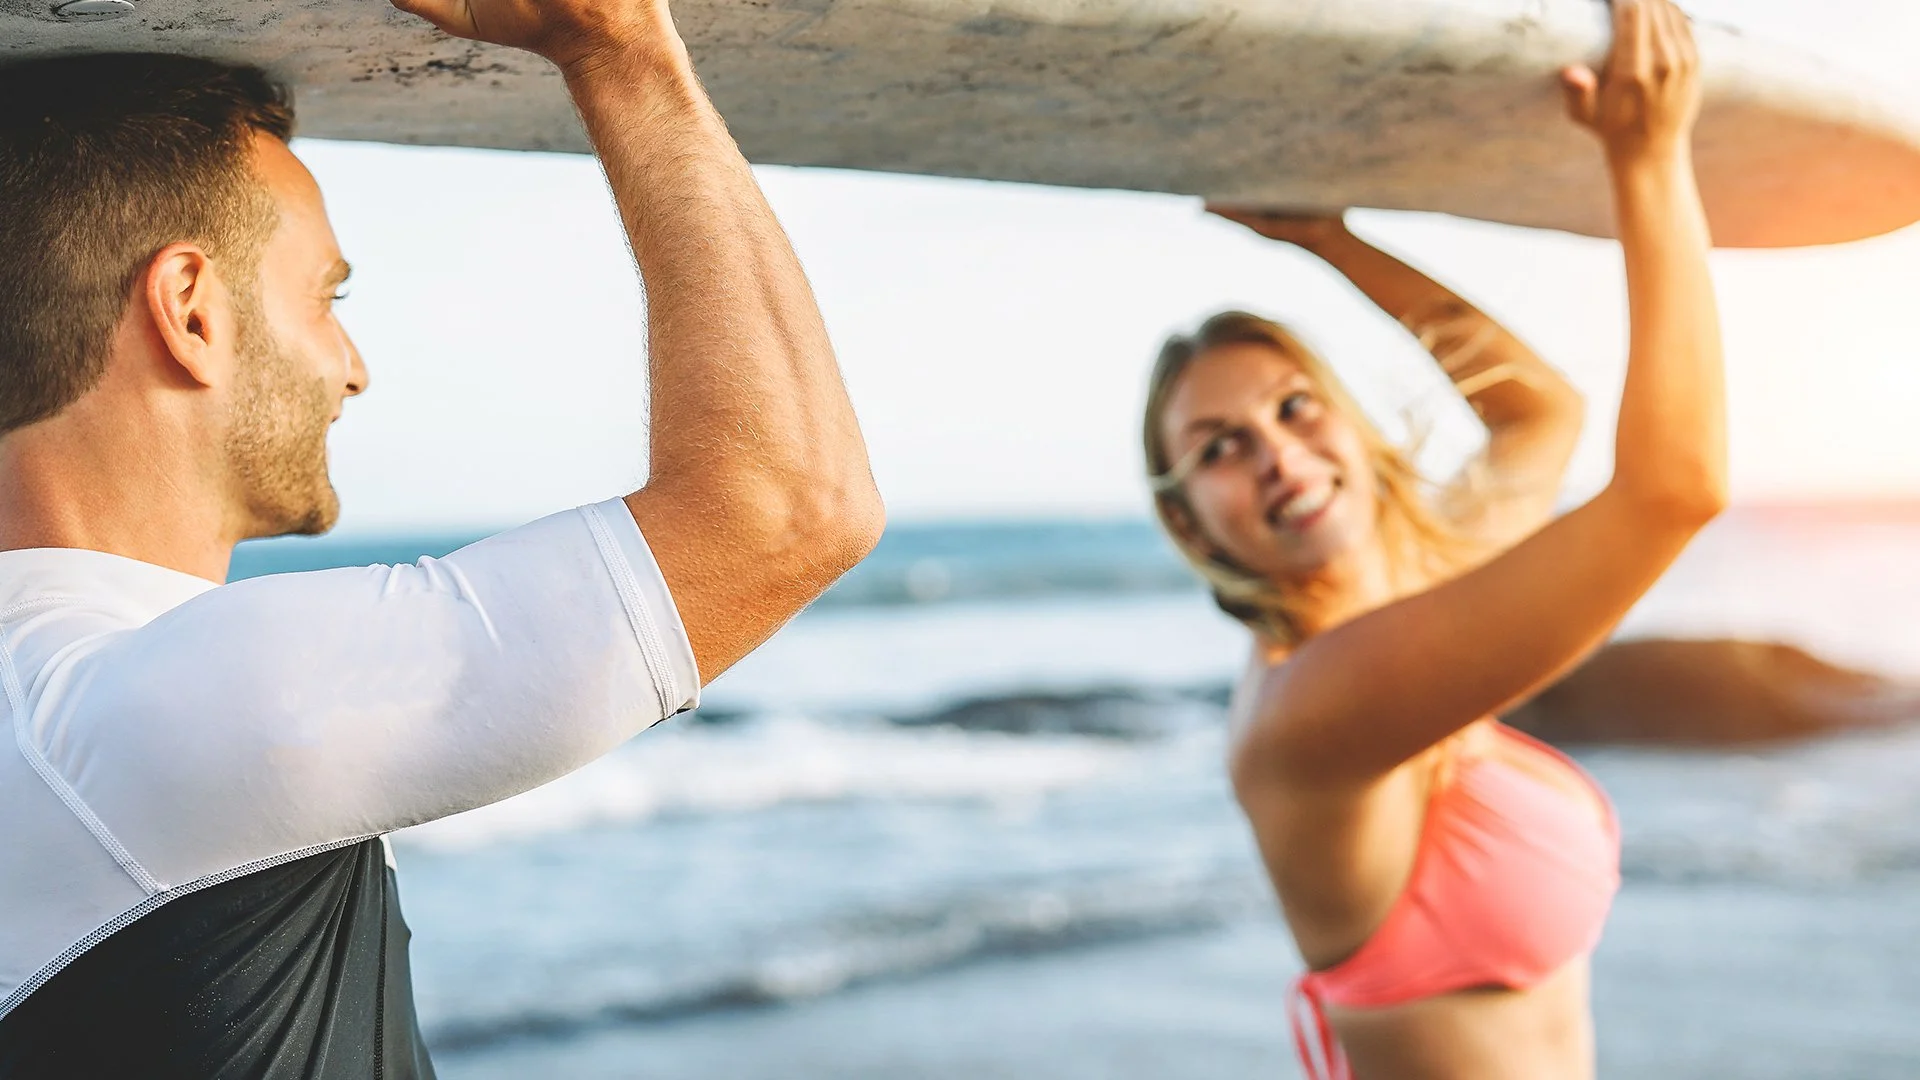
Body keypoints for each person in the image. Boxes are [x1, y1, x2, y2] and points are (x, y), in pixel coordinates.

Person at [0, 0, 884, 1072]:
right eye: (327, 297)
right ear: (191, 309)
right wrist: (621, 51)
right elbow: (790, 508)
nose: (355, 365)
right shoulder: (139, 710)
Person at [1140, 2, 1720, 1077]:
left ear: (1349, 424)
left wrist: (1335, 242)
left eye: (1295, 407)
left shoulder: (1419, 583)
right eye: (1220, 448)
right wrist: (1648, 164)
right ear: (1188, 519)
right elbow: (1674, 490)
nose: (1277, 454)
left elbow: (1536, 415)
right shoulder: (1308, 715)